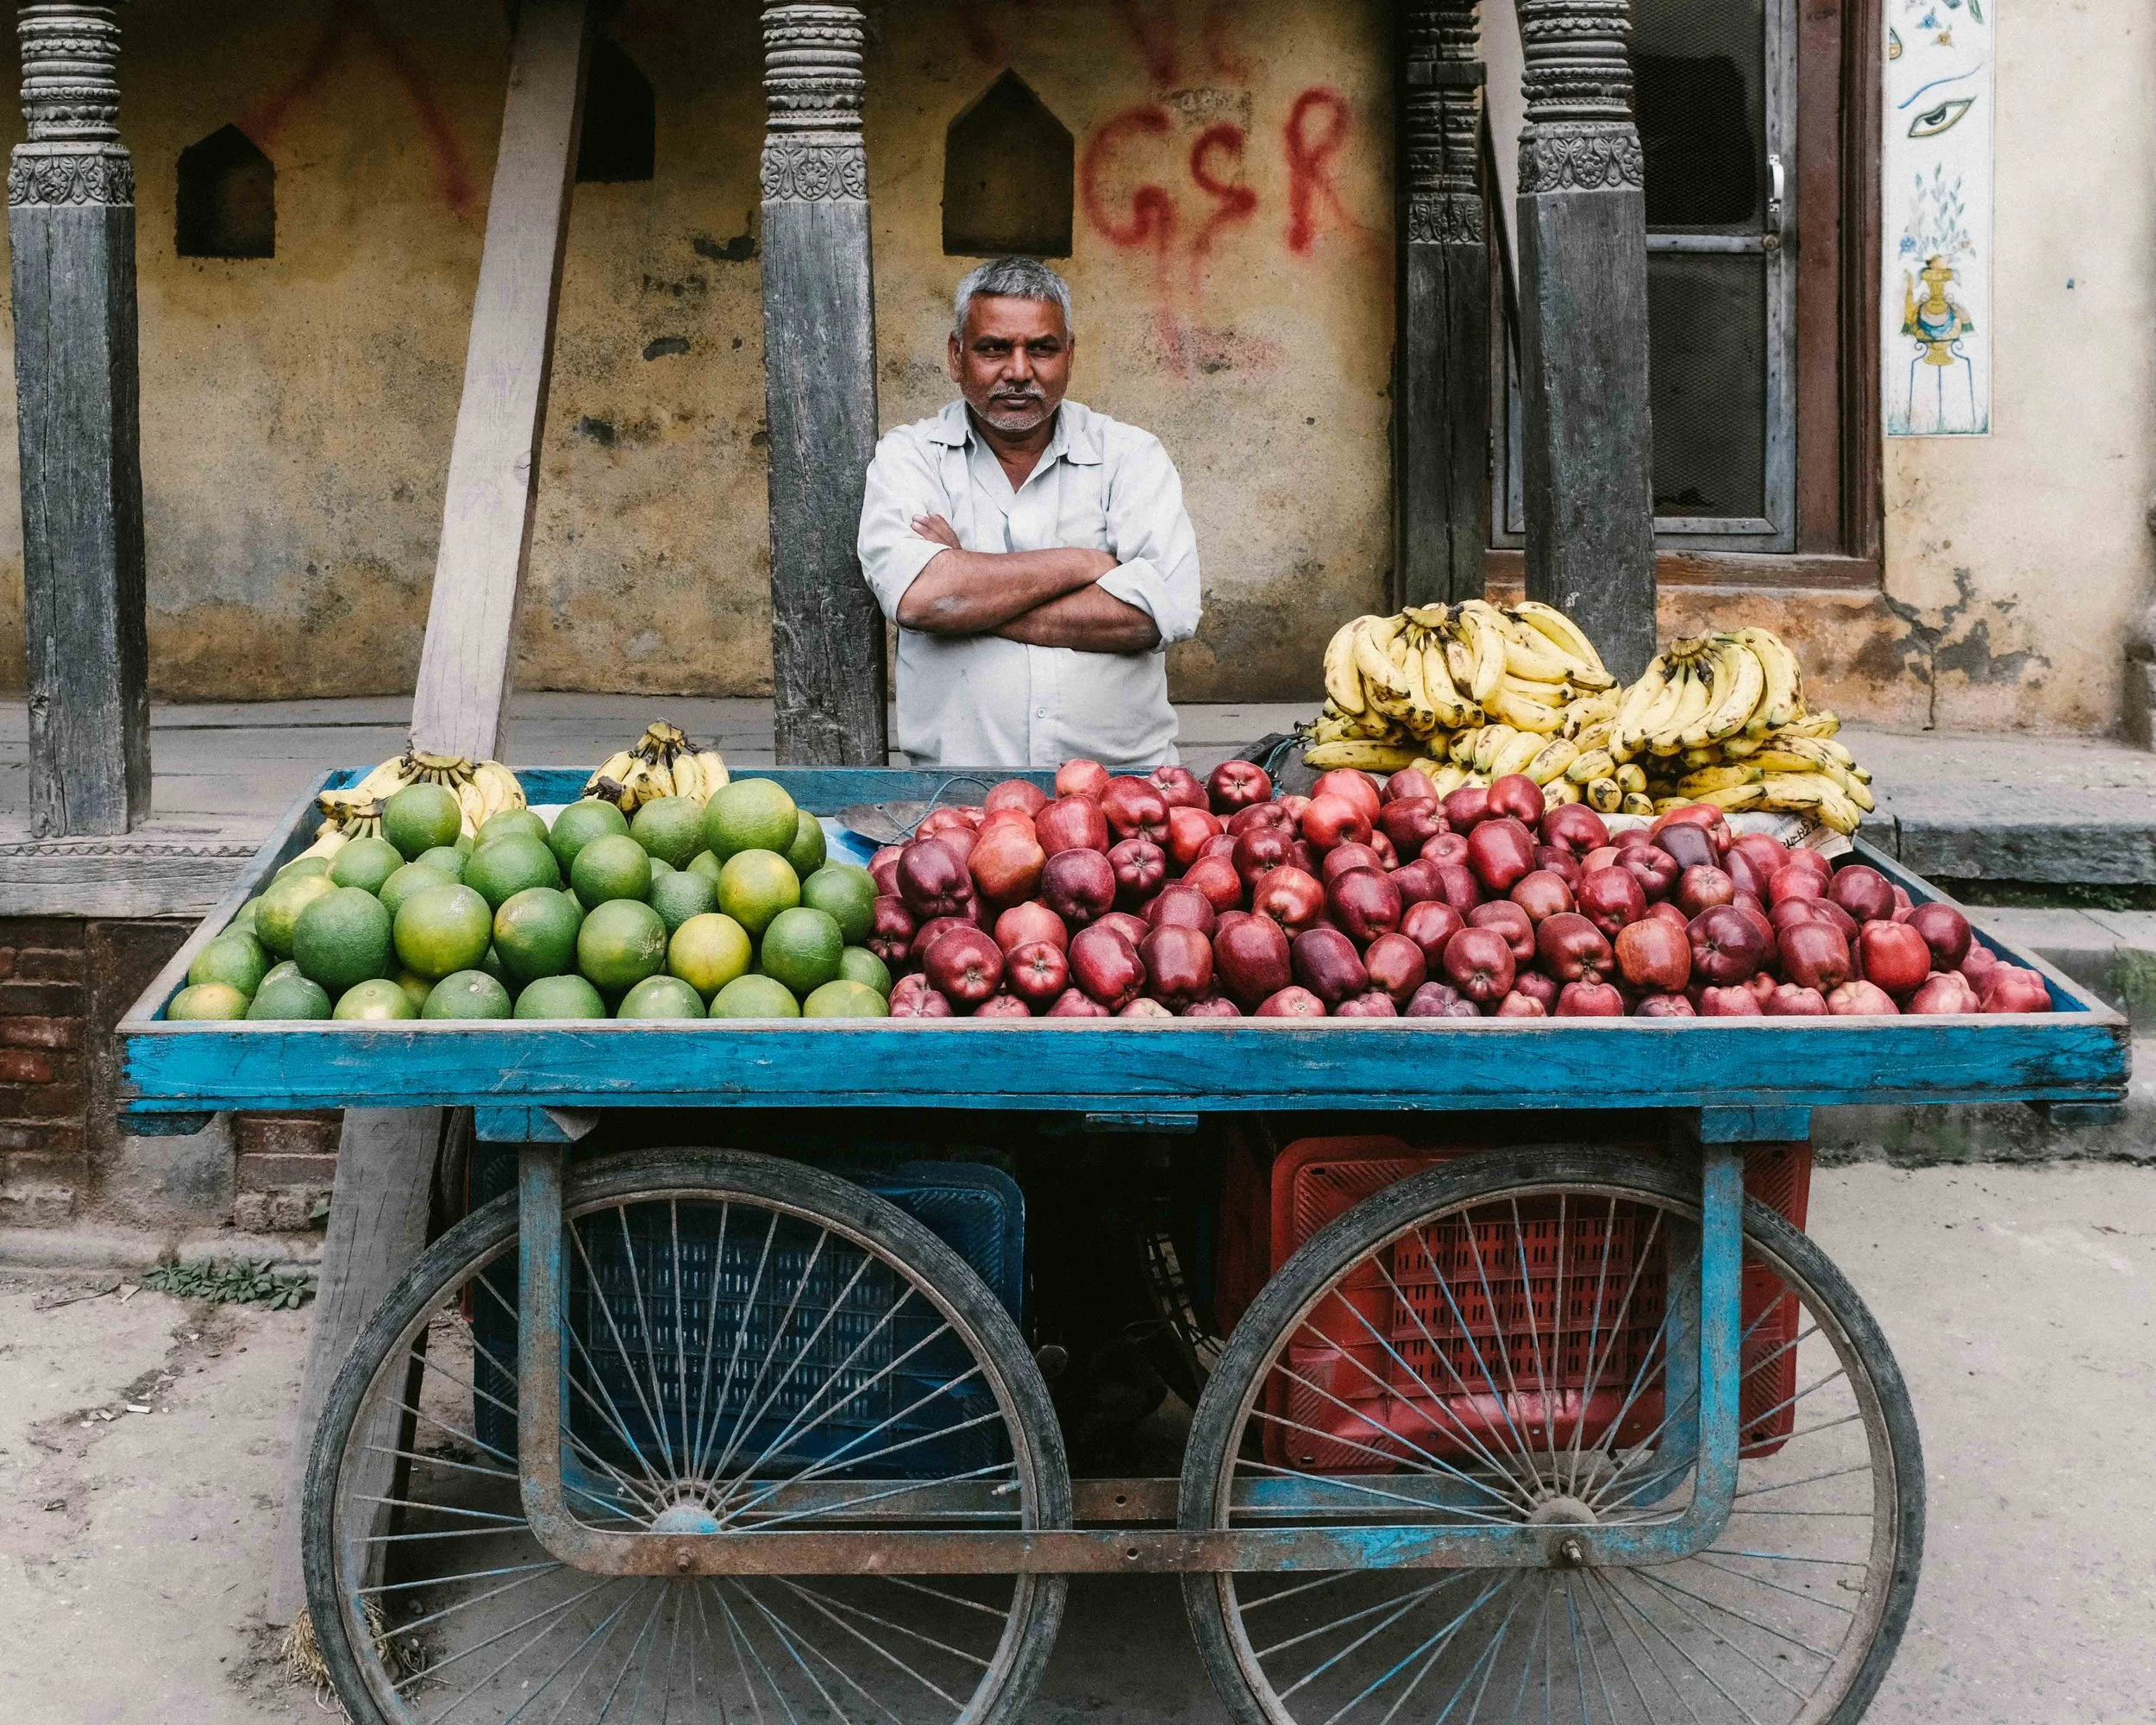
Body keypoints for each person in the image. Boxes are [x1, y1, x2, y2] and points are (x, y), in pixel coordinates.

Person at [856, 256, 1201, 769]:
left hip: (1127, 789)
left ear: (1069, 356)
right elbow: (921, 600)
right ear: (956, 356)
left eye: (1041, 349)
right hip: (960, 788)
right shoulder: (910, 456)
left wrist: (968, 591)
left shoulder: (1130, 455)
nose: (1019, 372)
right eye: (993, 349)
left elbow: (1157, 615)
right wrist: (1085, 563)